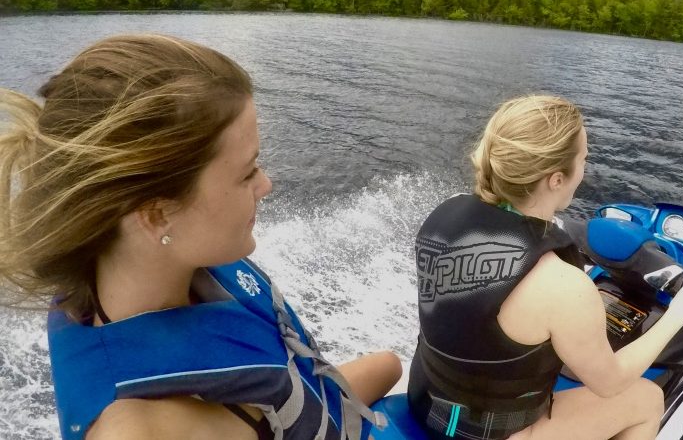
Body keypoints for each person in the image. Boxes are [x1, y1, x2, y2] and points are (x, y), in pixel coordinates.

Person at [0, 34, 402, 440]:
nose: (266, 184)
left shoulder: (181, 262)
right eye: (247, 173)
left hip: (327, 410)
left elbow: (301, 389)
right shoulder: (142, 429)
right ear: (157, 215)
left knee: (391, 363)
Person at [407, 95, 683, 440]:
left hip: (427, 404)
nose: (585, 168)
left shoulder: (444, 213)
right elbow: (610, 383)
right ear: (556, 179)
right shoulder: (562, 286)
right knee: (646, 398)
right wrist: (679, 314)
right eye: (583, 159)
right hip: (486, 433)